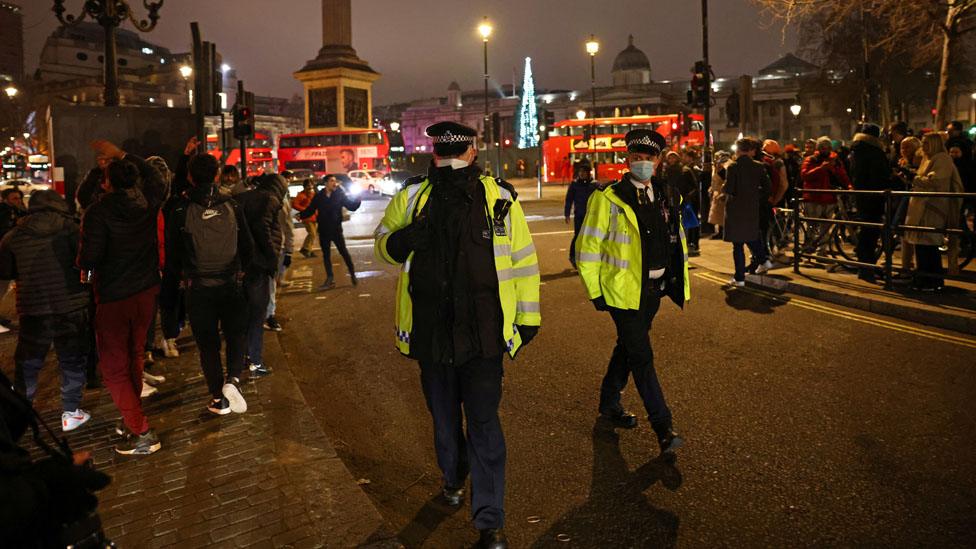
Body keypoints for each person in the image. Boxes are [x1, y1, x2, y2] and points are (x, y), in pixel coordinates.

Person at [374, 121, 541, 549]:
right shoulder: (411, 197)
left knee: (484, 423)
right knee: (445, 421)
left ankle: (490, 520)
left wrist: (527, 317)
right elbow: (383, 244)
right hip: (430, 334)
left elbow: (523, 261)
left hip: (484, 334)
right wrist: (406, 238)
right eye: (443, 153)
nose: (450, 159)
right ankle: (453, 476)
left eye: (456, 152)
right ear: (436, 155)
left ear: (470, 153)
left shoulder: (499, 199)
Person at [576, 128, 688, 457]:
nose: (642, 163)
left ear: (657, 161)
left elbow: (675, 239)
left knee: (627, 346)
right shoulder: (608, 197)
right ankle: (663, 427)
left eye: (648, 158)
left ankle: (609, 401)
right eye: (636, 158)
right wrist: (596, 292)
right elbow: (588, 248)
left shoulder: (668, 194)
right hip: (621, 292)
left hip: (654, 290)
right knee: (642, 356)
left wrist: (676, 279)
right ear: (627, 160)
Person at [77, 140, 167, 455]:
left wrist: (85, 282)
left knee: (114, 367)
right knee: (134, 356)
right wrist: (123, 155)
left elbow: (88, 259)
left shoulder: (97, 212)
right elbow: (156, 178)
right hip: (145, 291)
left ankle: (142, 432)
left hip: (114, 297)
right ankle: (131, 420)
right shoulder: (148, 201)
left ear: (107, 181)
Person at [167, 153, 253, 414]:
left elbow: (172, 254)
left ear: (190, 177)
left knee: (208, 344)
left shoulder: (180, 209)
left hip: (199, 287)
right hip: (230, 283)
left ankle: (218, 397)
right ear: (216, 175)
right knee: (236, 334)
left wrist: (181, 280)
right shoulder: (232, 204)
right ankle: (234, 380)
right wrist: (241, 272)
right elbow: (248, 246)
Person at [0, 191, 93, 432]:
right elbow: (86, 262)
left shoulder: (13, 237)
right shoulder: (72, 228)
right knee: (71, 359)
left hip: (33, 307)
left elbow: (7, 272)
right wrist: (88, 283)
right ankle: (71, 413)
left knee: (28, 363)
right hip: (71, 304)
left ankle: (23, 413)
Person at [235, 173, 283, 378]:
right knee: (256, 314)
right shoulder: (269, 199)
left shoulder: (243, 197)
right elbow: (262, 227)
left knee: (244, 315)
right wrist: (272, 258)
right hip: (258, 264)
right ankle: (255, 360)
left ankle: (243, 357)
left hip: (240, 263)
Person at [905, 133, 964, 292]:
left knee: (929, 244)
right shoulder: (928, 158)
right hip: (922, 206)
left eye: (926, 143)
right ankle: (923, 278)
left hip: (932, 206)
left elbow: (935, 182)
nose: (923, 146)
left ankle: (932, 280)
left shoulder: (942, 159)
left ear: (934, 143)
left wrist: (913, 177)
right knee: (922, 244)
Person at [724, 138, 772, 286]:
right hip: (752, 207)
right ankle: (764, 260)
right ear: (751, 150)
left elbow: (729, 189)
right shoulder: (758, 166)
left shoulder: (733, 167)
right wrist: (756, 198)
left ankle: (739, 278)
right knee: (751, 236)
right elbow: (768, 188)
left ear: (737, 150)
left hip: (736, 209)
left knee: (737, 244)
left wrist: (723, 186)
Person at [299, 175, 361, 289]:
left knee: (344, 253)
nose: (335, 183)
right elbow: (311, 209)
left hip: (336, 230)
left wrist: (358, 200)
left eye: (335, 181)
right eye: (332, 181)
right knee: (326, 255)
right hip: (323, 230)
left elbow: (351, 206)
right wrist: (301, 215)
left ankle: (352, 274)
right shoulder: (319, 196)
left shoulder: (339, 195)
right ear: (326, 183)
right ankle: (330, 278)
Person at [849, 123, 893, 283]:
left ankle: (865, 266)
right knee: (871, 232)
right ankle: (866, 267)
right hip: (874, 195)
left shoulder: (856, 150)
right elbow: (879, 174)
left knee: (867, 230)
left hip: (863, 195)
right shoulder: (873, 151)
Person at [800, 136, 852, 255]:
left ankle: (822, 250)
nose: (825, 149)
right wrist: (821, 168)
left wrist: (849, 185)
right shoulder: (811, 159)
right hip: (814, 197)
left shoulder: (835, 160)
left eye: (827, 147)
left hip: (829, 198)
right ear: (818, 148)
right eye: (822, 147)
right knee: (811, 225)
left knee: (826, 226)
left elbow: (843, 175)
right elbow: (804, 175)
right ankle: (808, 247)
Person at [265, 177, 293, 332]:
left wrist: (289, 249)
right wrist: (289, 249)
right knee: (270, 284)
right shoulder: (278, 202)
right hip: (276, 248)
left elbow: (287, 227)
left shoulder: (276, 202)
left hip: (274, 247)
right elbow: (287, 228)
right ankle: (269, 315)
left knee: (271, 283)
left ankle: (269, 314)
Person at [0, 188, 26, 334]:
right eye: (14, 198)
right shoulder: (5, 212)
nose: (18, 201)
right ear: (5, 199)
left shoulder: (20, 211)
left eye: (18, 198)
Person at [665, 151, 701, 256]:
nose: (671, 160)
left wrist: (687, 197)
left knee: (686, 224)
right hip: (671, 201)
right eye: (669, 158)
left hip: (684, 201)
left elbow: (694, 186)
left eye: (673, 157)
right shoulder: (666, 170)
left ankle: (688, 244)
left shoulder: (685, 170)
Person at [564, 164, 599, 268]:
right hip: (579, 215)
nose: (582, 174)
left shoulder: (595, 185)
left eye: (584, 172)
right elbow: (569, 200)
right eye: (580, 172)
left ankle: (587, 258)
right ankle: (573, 256)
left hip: (592, 216)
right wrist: (567, 214)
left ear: (588, 173)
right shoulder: (574, 185)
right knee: (578, 236)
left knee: (590, 237)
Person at [707, 150, 731, 239]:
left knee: (722, 214)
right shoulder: (717, 166)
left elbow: (725, 178)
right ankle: (720, 232)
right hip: (717, 192)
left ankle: (723, 232)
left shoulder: (726, 165)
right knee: (717, 215)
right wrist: (711, 188)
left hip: (722, 192)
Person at [291, 180, 318, 258]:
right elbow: (295, 204)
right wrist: (304, 209)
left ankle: (308, 249)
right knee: (312, 233)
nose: (310, 187)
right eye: (308, 185)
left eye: (311, 185)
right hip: (307, 217)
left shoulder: (313, 194)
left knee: (313, 234)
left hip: (314, 217)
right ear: (304, 186)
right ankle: (306, 249)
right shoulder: (301, 195)